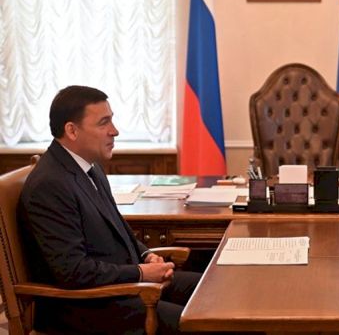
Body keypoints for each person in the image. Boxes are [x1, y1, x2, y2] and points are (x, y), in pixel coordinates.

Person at [18, 86, 201, 334]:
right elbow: (73, 271)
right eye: (104, 122)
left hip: (119, 288)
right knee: (201, 322)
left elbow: (118, 227)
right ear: (71, 130)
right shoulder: (49, 185)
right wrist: (140, 273)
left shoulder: (90, 168)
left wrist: (146, 255)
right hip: (86, 307)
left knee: (209, 292)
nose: (114, 131)